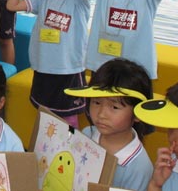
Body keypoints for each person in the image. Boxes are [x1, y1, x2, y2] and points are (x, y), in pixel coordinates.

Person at [7, 0, 90, 127]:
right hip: (43, 68)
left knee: (67, 118)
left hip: (67, 70)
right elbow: (12, 5)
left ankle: (68, 151)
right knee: (45, 116)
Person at [64, 58, 154, 191]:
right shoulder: (87, 133)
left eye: (114, 107)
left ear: (137, 114)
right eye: (96, 102)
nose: (101, 114)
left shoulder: (139, 167)